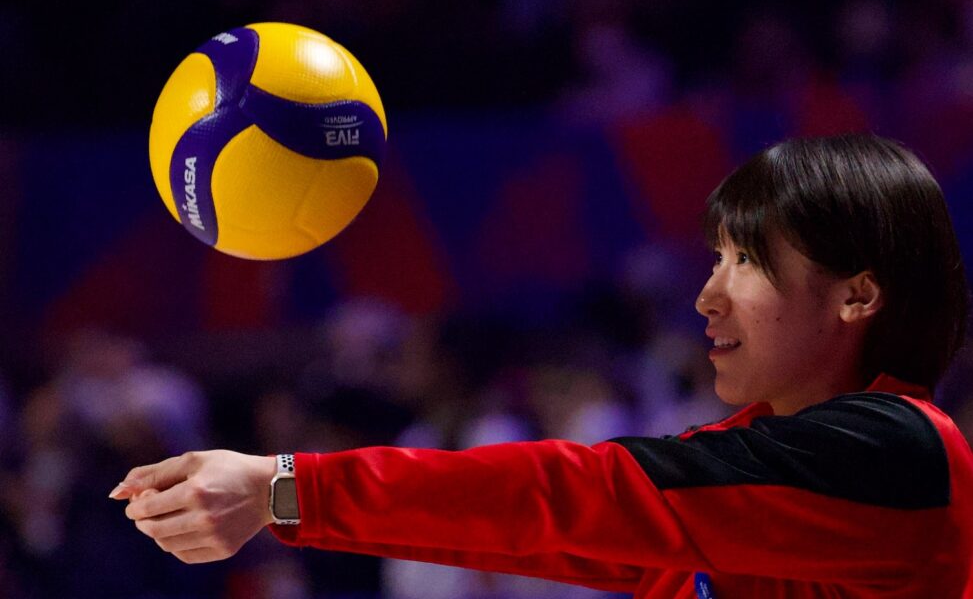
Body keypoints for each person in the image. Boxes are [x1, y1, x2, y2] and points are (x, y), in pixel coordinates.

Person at [111, 134, 973, 598]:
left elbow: (574, 494)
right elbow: (542, 530)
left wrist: (284, 486)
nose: (707, 296)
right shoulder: (747, 478)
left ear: (857, 295)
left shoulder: (896, 449)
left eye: (744, 261)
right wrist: (280, 501)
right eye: (713, 259)